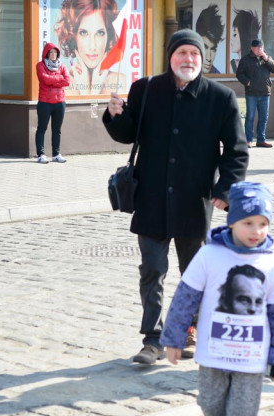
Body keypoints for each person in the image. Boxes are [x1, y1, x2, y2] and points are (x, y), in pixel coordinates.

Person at [103, 29, 249, 364]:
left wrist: (225, 189)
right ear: (170, 57)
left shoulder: (221, 97)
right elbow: (128, 135)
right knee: (152, 270)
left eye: (194, 54)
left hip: (194, 201)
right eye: (181, 53)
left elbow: (237, 151)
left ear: (202, 59)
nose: (188, 60)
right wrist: (115, 115)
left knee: (193, 273)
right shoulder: (147, 88)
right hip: (151, 197)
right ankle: (152, 339)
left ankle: (188, 329)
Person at [161, 182, 274, 416]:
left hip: (251, 357)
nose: (256, 230)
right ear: (231, 221)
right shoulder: (210, 255)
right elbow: (185, 297)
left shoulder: (272, 264)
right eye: (248, 222)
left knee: (243, 413)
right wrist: (174, 339)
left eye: (263, 224)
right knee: (210, 403)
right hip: (213, 351)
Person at [55, 0, 125, 97]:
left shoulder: (118, 81)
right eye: (84, 33)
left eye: (100, 33)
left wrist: (91, 91)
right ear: (73, 35)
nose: (93, 46)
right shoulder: (64, 83)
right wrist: (87, 92)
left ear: (109, 35)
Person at [236, 38, 274, 148]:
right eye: (257, 47)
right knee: (250, 117)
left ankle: (261, 140)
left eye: (261, 47)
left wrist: (266, 58)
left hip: (265, 92)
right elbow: (239, 74)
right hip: (251, 93)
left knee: (264, 117)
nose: (259, 49)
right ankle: (248, 140)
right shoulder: (245, 60)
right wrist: (248, 82)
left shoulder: (266, 58)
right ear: (252, 48)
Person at [34, 41, 72, 164]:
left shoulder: (62, 65)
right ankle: (41, 154)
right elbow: (44, 79)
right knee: (42, 129)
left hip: (60, 102)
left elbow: (67, 81)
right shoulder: (40, 65)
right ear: (46, 54)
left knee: (57, 129)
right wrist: (59, 78)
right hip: (45, 102)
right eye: (51, 52)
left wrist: (54, 81)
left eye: (55, 52)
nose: (53, 54)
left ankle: (56, 154)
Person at [195, 4, 225, 75]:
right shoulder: (187, 72)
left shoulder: (217, 75)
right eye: (204, 47)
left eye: (213, 49)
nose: (208, 58)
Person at [229, 8, 261, 74]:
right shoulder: (230, 67)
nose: (231, 38)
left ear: (244, 36)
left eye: (235, 34)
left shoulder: (259, 63)